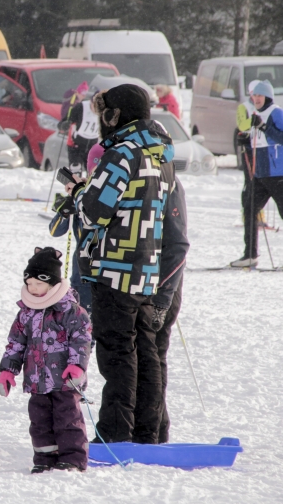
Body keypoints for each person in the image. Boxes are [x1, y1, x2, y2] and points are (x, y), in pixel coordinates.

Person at [70, 84, 176, 444]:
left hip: (115, 268)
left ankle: (116, 432)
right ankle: (149, 430)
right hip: (147, 272)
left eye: (104, 113)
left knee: (117, 355)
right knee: (146, 353)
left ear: (114, 115)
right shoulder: (161, 155)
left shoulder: (122, 154)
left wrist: (79, 192)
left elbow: (93, 212)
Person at [0, 246, 91, 473]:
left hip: (65, 382)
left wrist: (77, 366)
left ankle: (72, 459)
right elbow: (16, 343)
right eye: (29, 284)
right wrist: (8, 370)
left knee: (67, 420)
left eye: (39, 284)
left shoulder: (73, 312)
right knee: (39, 423)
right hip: (36, 381)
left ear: (52, 283)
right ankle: (45, 459)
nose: (33, 288)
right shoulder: (26, 313)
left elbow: (82, 340)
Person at [151, 176, 189, 443]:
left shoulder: (169, 184)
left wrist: (162, 300)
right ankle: (151, 426)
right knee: (141, 361)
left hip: (164, 289)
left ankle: (155, 429)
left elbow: (177, 247)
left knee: (153, 359)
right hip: (142, 288)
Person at [230, 80, 283, 267]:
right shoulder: (256, 114)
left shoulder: (276, 112)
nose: (257, 98)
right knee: (249, 209)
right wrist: (244, 141)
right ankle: (250, 254)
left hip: (278, 174)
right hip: (260, 175)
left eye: (260, 95)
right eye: (254, 95)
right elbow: (258, 142)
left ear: (268, 97)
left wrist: (263, 128)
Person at [48, 144, 105, 317]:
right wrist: (65, 211)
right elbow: (55, 231)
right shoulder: (79, 193)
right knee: (81, 324)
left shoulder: (114, 194)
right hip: (82, 273)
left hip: (107, 271)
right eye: (93, 171)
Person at [65, 98, 100, 177]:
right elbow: (66, 121)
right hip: (76, 145)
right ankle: (76, 187)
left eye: (98, 106)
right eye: (94, 105)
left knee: (92, 174)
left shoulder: (104, 111)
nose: (95, 108)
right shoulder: (80, 107)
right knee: (76, 174)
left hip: (92, 147)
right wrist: (65, 125)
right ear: (90, 102)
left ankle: (89, 188)